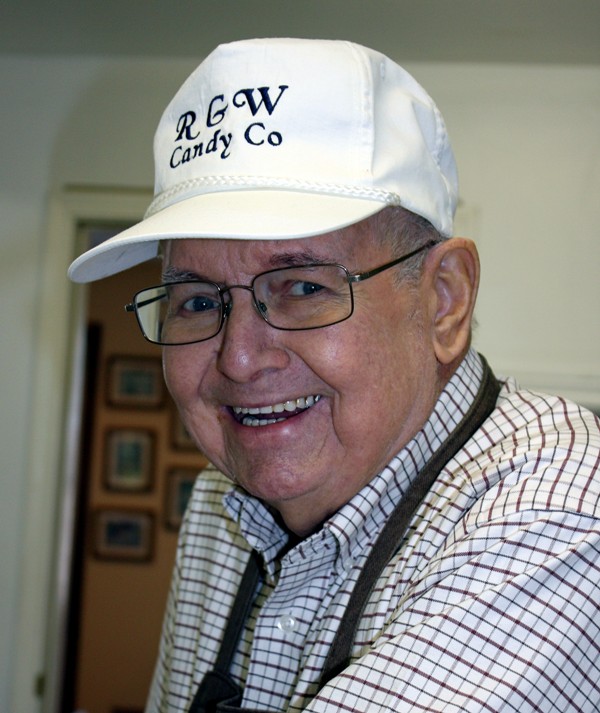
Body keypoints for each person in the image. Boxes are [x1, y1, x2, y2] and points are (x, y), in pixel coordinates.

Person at [69, 38, 600, 713]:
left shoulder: (564, 517)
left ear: (444, 301)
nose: (239, 359)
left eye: (303, 287)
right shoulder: (219, 509)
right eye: (198, 301)